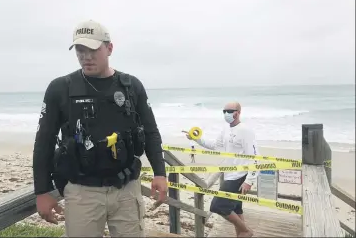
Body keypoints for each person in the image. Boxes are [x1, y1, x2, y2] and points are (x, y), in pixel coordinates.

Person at [32, 20, 168, 237]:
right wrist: (42, 191)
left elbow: (151, 132)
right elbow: (44, 142)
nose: (86, 56)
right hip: (81, 192)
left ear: (109, 48)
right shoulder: (60, 88)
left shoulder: (132, 86)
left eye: (93, 50)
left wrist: (160, 173)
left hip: (127, 189)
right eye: (80, 50)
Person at [184, 102, 258, 238]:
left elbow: (254, 157)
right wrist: (197, 139)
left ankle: (246, 231)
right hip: (229, 174)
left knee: (218, 206)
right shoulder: (225, 129)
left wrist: (249, 180)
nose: (226, 114)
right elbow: (215, 146)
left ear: (238, 112)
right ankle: (242, 234)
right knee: (236, 208)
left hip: (240, 175)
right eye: (224, 111)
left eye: (229, 111)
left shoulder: (246, 130)